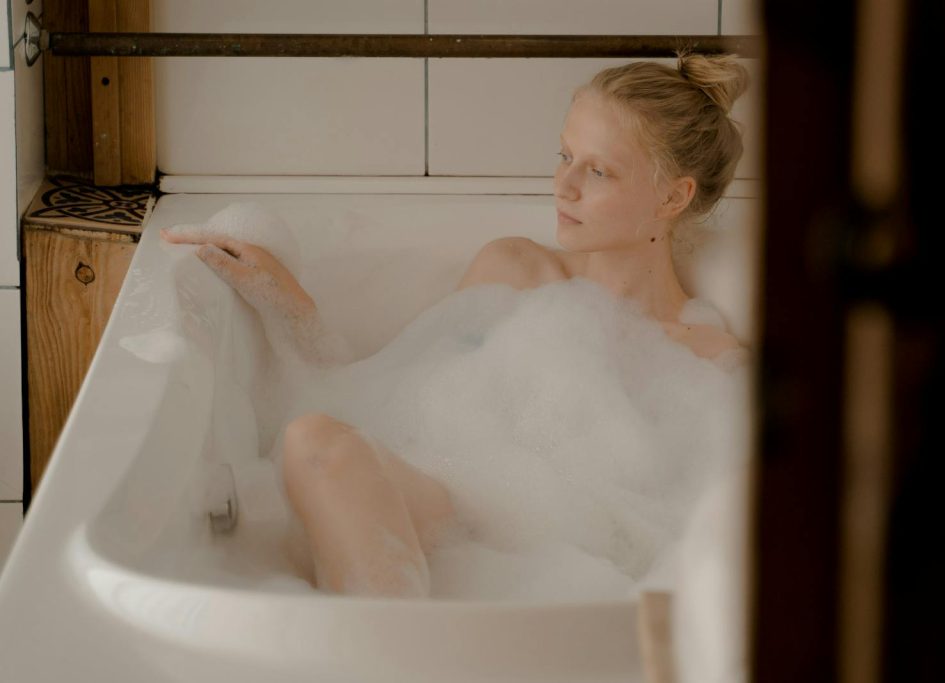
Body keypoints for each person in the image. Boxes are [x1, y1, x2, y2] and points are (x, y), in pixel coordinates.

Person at [161, 51, 750, 597]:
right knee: (313, 444)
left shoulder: (709, 361)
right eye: (565, 155)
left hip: (584, 563)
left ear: (674, 198)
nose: (562, 185)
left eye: (599, 172)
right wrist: (285, 302)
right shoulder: (515, 270)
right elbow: (384, 393)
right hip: (446, 506)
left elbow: (699, 527)